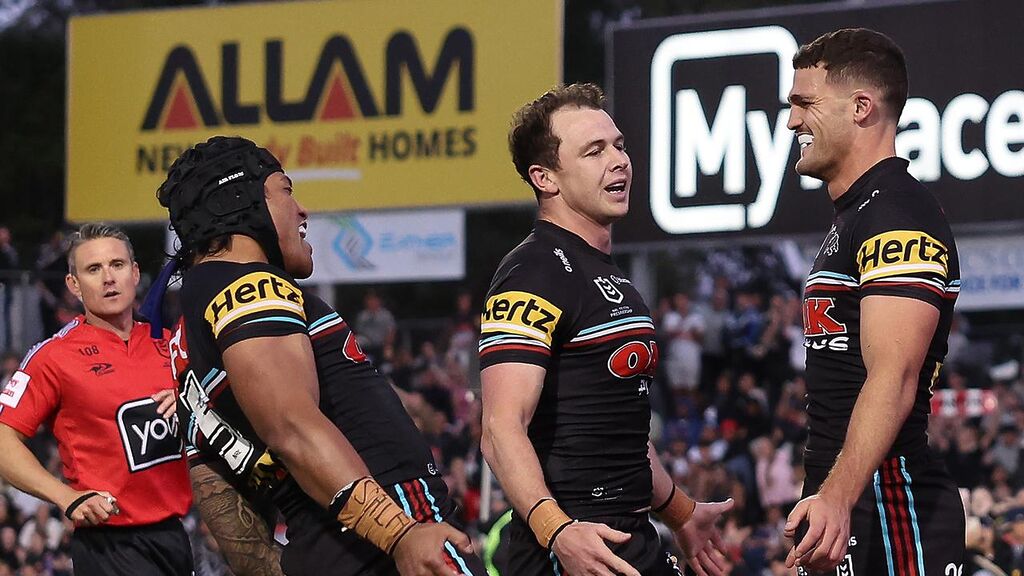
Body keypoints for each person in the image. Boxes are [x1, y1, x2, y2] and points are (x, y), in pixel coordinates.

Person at [153, 135, 485, 576]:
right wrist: (400, 533)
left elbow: (216, 484)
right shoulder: (248, 284)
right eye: (286, 191)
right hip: (387, 533)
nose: (302, 210)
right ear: (239, 199)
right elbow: (291, 426)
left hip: (324, 547)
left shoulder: (185, 340)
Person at [479, 83, 732, 576]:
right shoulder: (532, 272)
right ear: (545, 178)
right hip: (570, 546)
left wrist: (681, 511)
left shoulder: (612, 277)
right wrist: (558, 531)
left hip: (630, 536)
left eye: (619, 145)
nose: (619, 160)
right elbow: (498, 429)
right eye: (595, 151)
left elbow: (622, 429)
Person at [783, 28, 964, 574]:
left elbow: (895, 377)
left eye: (804, 104)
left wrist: (836, 497)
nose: (792, 121)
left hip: (891, 508)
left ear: (862, 108)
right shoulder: (858, 216)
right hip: (850, 506)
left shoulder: (897, 215)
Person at [0, 223, 193, 575]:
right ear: (73, 285)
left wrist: (191, 402)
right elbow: (3, 440)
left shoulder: (172, 345)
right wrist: (65, 496)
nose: (108, 278)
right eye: (93, 269)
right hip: (109, 545)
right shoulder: (53, 356)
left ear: (135, 274)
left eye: (117, 265)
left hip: (175, 536)